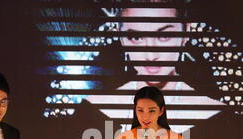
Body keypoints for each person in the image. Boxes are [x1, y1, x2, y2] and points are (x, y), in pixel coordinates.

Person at [87, 6, 224, 106]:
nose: (151, 56)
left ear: (185, 32)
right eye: (136, 37)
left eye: (164, 36)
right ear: (121, 37)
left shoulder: (217, 116)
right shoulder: (95, 110)